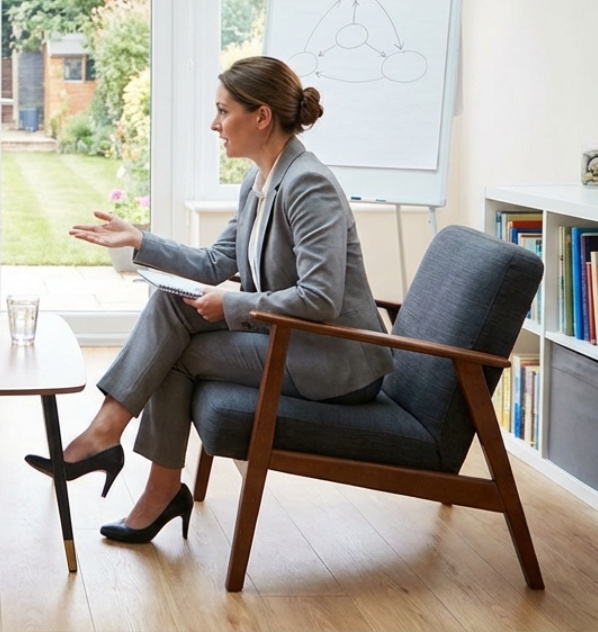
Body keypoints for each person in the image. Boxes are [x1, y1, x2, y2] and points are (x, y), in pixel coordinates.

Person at [27, 56, 393, 543]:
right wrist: (139, 239)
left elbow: (321, 297)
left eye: (224, 111)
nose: (215, 124)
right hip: (291, 341)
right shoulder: (260, 180)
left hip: (333, 362)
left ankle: (119, 454)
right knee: (169, 306)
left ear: (261, 116)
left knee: (174, 353)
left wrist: (233, 304)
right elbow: (214, 262)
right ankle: (117, 448)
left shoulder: (309, 184)